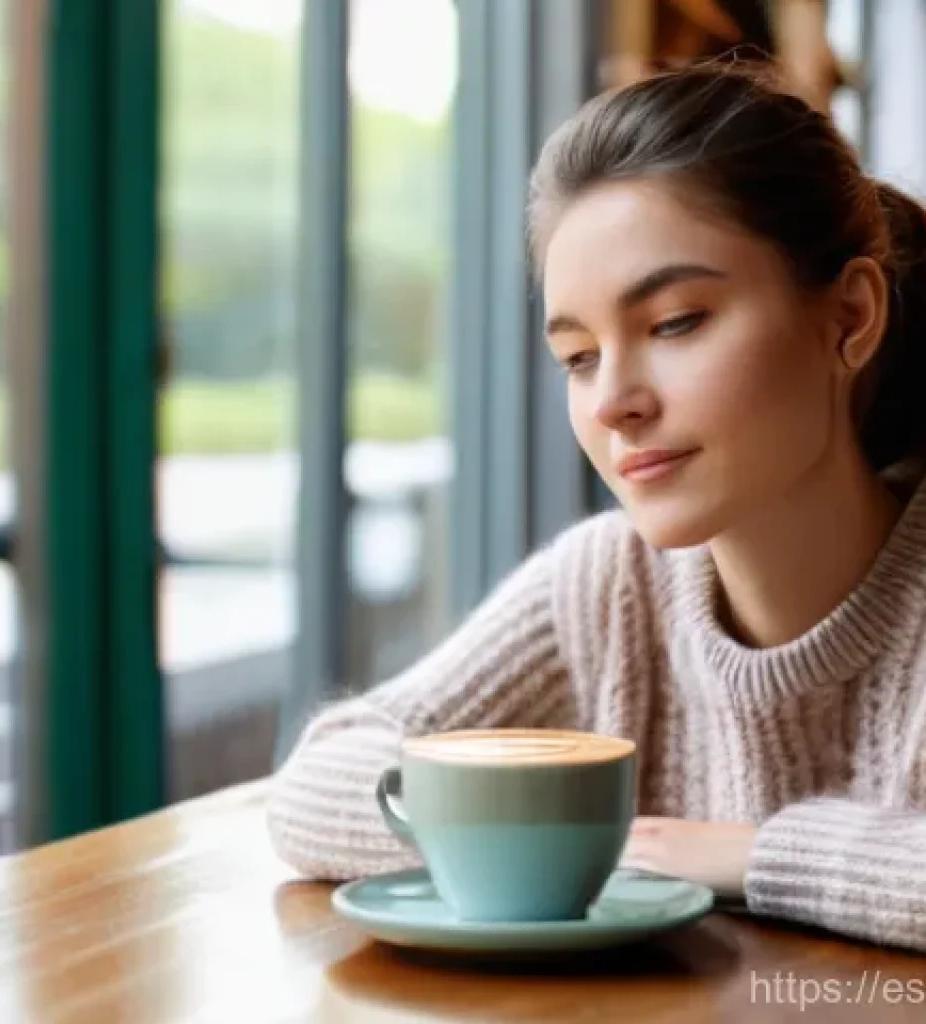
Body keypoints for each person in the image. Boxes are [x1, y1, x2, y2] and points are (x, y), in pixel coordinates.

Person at [266, 61, 926, 953]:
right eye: (578, 357)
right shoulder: (609, 585)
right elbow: (318, 786)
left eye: (676, 322)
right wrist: (577, 850)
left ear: (849, 317)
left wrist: (757, 857)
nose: (613, 402)